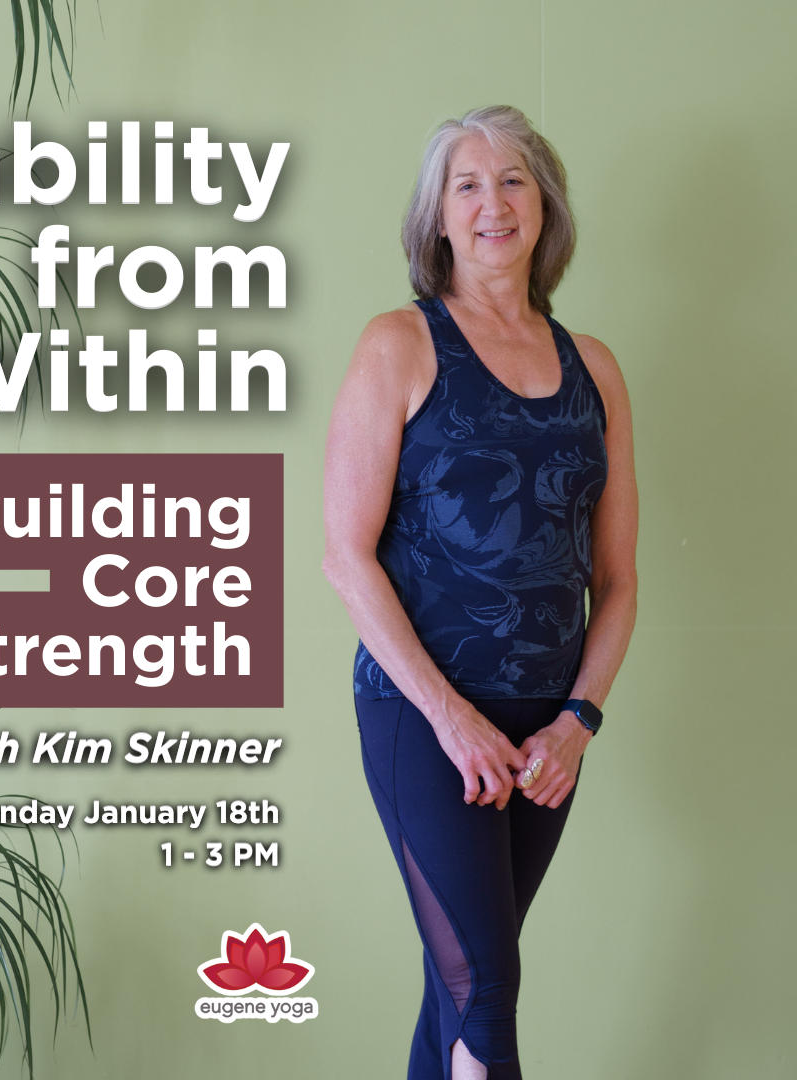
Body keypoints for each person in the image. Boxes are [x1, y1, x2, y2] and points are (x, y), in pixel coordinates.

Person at [322, 106, 637, 1080]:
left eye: (514, 181)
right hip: (427, 723)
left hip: (546, 739)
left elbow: (618, 580)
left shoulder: (597, 370)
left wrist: (580, 718)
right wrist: (453, 720)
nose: (493, 202)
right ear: (439, 220)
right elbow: (345, 553)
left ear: (545, 208)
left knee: (455, 989)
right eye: (467, 184)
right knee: (485, 996)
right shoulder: (398, 345)